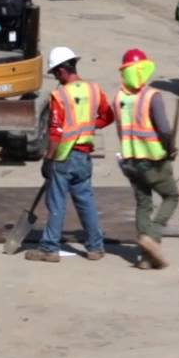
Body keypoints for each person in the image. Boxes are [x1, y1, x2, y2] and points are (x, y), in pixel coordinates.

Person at [25, 46, 115, 264]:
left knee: (56, 203)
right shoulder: (93, 89)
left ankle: (49, 249)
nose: (56, 77)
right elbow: (108, 116)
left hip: (64, 158)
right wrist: (90, 127)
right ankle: (95, 248)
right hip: (84, 158)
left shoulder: (61, 96)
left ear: (63, 70)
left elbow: (55, 134)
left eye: (56, 72)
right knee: (86, 201)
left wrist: (48, 160)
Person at [114, 48, 179, 270]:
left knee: (143, 203)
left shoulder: (120, 98)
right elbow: (164, 129)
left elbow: (120, 129)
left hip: (130, 161)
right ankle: (153, 235)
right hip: (153, 161)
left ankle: (144, 258)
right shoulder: (152, 96)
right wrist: (170, 148)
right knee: (171, 196)